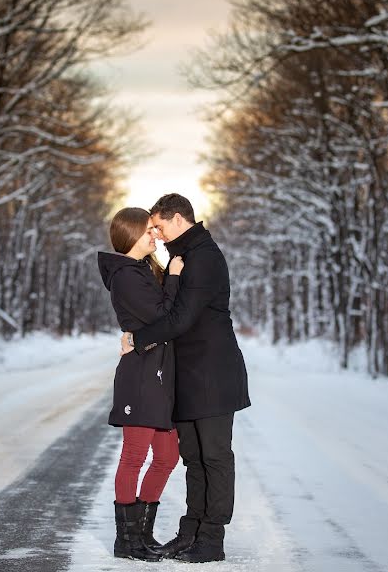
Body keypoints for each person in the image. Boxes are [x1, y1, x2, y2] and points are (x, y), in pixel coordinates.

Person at [120, 193, 251, 564]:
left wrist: (136, 340)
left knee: (215, 457)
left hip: (213, 373)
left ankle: (212, 539)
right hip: (188, 375)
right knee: (193, 458)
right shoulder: (183, 257)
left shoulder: (204, 257)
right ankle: (190, 531)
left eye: (158, 226)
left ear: (178, 218)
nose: (156, 235)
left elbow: (180, 320)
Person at [97, 207, 185, 562]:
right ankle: (126, 540)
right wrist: (175, 276)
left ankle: (144, 534)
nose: (155, 235)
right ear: (131, 234)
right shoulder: (125, 275)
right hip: (140, 372)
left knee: (167, 456)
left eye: (154, 229)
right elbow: (164, 315)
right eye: (149, 230)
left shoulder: (145, 269)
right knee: (135, 455)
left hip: (159, 370)